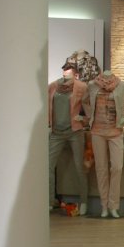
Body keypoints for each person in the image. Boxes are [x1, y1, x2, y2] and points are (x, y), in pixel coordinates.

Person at [84, 70, 124, 218]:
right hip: (97, 132)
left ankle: (113, 205)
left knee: (117, 167)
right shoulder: (92, 85)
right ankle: (104, 206)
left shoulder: (122, 85)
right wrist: (90, 116)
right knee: (101, 169)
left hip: (116, 131)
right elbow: (84, 101)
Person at [48, 62, 89, 215]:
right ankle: (50, 201)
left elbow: (89, 108)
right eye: (64, 71)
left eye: (69, 71)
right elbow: (47, 106)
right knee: (48, 167)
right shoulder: (53, 86)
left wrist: (84, 120)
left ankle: (84, 201)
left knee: (80, 167)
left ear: (76, 74)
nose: (66, 73)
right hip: (56, 132)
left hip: (74, 131)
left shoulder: (81, 87)